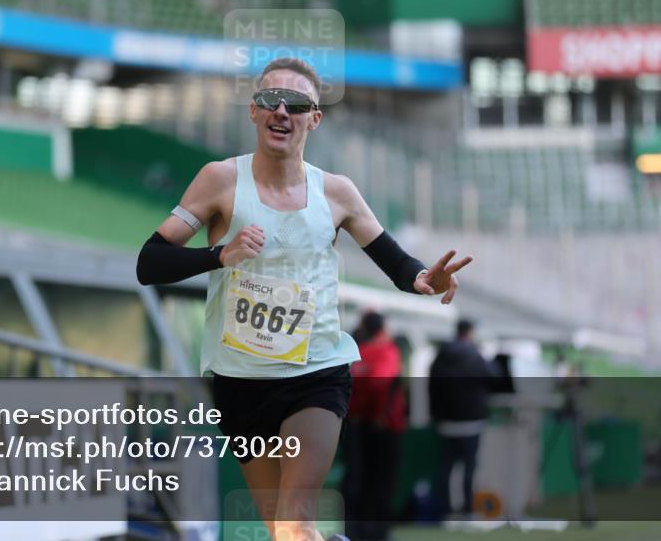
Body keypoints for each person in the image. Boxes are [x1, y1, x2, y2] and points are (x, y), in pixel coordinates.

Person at [136, 57, 472, 541]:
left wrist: (426, 278)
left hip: (314, 373)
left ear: (314, 118)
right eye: (270, 100)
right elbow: (150, 262)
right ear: (253, 111)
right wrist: (219, 254)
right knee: (283, 533)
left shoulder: (336, 193)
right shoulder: (220, 181)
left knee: (296, 524)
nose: (281, 112)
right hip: (239, 381)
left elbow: (399, 265)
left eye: (296, 104)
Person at [341, 311, 407, 541]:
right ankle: (377, 533)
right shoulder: (388, 351)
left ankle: (356, 531)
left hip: (359, 426)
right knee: (381, 482)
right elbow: (382, 385)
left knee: (360, 480)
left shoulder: (360, 353)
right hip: (384, 427)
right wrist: (380, 415)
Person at [428, 318, 498, 520]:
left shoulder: (441, 357)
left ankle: (444, 512)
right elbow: (492, 379)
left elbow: (431, 387)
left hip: (445, 423)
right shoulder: (475, 356)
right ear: (470, 333)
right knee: (469, 468)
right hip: (471, 422)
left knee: (445, 469)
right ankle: (468, 511)